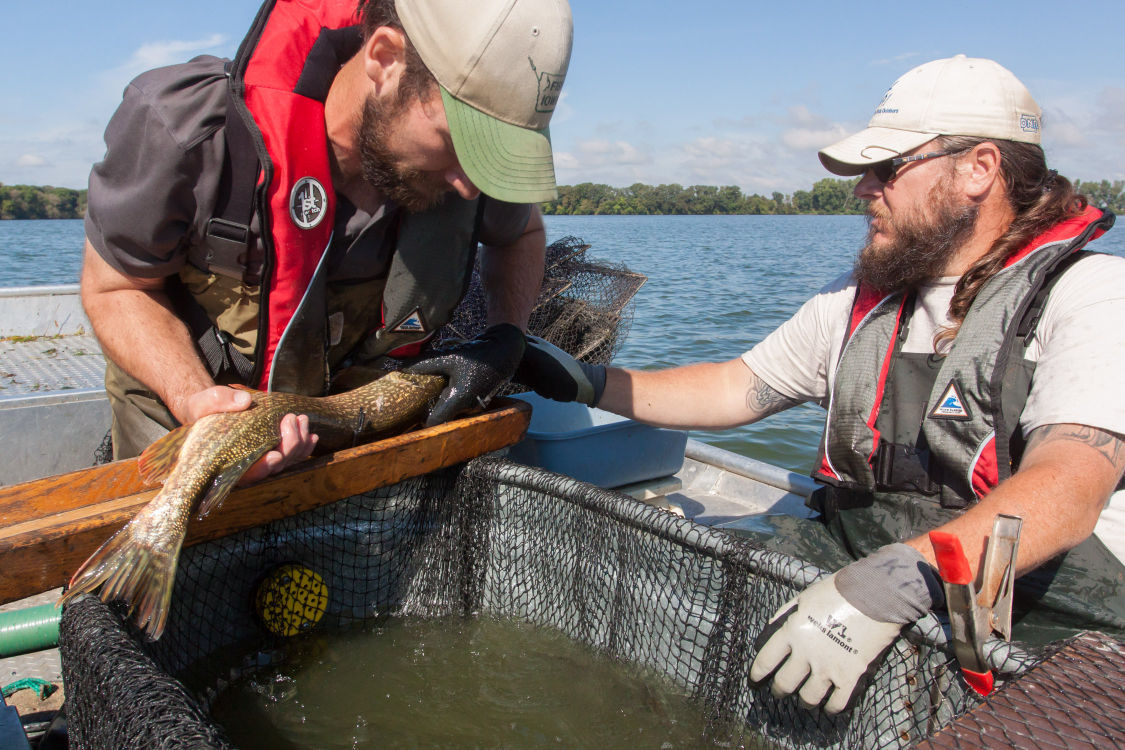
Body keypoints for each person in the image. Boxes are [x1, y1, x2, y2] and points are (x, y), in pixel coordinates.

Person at [516, 55, 1125, 714]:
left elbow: (1068, 487)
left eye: (886, 169)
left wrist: (898, 582)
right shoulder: (862, 299)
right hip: (865, 554)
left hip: (1034, 614)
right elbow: (733, 387)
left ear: (979, 168)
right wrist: (585, 381)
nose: (863, 189)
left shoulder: (1092, 296)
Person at [80, 0, 573, 480]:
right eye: (461, 142)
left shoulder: (466, 173)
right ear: (385, 59)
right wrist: (194, 400)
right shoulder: (185, 128)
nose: (470, 186)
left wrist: (507, 334)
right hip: (186, 425)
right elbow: (117, 288)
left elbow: (521, 233)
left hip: (353, 433)